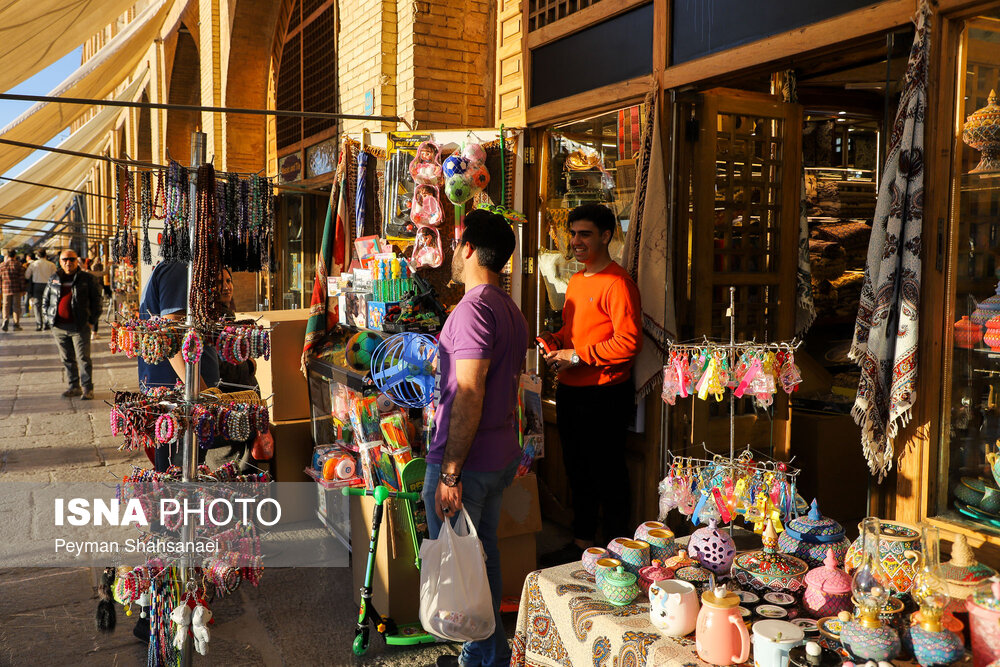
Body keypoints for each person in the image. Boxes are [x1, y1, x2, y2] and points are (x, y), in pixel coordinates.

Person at [423, 209, 528, 667]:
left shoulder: (473, 309)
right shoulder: (508, 307)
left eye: (454, 240)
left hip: (469, 461)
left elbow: (469, 393)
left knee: (464, 559)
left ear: (466, 247)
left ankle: (481, 652)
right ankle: (488, 652)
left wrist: (450, 471)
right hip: (496, 453)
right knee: (482, 553)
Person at [541, 203, 642, 563]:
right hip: (572, 391)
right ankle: (583, 542)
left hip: (606, 392)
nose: (576, 240)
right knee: (577, 469)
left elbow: (629, 342)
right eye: (573, 233)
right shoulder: (576, 280)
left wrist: (578, 355)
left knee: (608, 471)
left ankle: (618, 552)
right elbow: (574, 333)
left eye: (585, 233)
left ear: (605, 236)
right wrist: (555, 341)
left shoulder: (618, 283)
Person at [138, 260, 220, 471]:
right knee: (180, 475)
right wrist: (200, 394)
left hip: (179, 398)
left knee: (177, 473)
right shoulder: (179, 268)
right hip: (181, 400)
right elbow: (171, 336)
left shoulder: (178, 268)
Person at [41, 250, 102, 399]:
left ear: (77, 261)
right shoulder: (54, 278)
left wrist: (90, 322)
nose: (68, 262)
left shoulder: (87, 279)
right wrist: (49, 321)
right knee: (67, 359)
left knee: (83, 358)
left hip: (79, 327)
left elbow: (97, 303)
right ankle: (74, 386)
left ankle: (87, 388)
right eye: (65, 259)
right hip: (59, 327)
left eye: (72, 259)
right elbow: (45, 301)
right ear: (60, 262)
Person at [25, 250, 57, 331]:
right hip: (48, 285)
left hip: (37, 285)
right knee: (48, 304)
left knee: (37, 305)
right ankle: (47, 323)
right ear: (46, 255)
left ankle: (39, 324)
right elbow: (55, 276)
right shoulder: (51, 264)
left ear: (37, 256)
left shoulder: (33, 264)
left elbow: (27, 275)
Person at [1, 249, 26, 331]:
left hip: (5, 289)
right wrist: (23, 289)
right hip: (16, 289)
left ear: (7, 255)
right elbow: (22, 278)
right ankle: (16, 325)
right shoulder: (19, 265)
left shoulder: (2, 265)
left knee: (5, 306)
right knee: (16, 307)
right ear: (15, 255)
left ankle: (5, 319)